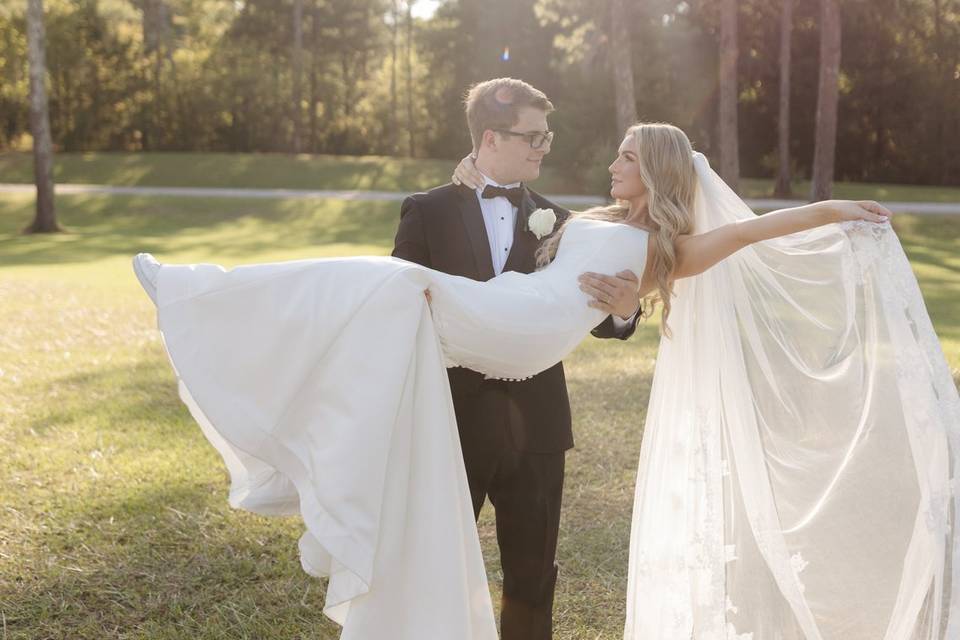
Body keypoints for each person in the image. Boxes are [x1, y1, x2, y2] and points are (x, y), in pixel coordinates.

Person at [132, 123, 959, 640]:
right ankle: (205, 304)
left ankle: (206, 303)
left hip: (518, 345)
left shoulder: (667, 246)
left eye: (626, 157)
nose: (609, 163)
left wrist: (829, 210)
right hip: (494, 321)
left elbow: (753, 233)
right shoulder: (575, 220)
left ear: (658, 171)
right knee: (375, 288)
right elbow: (526, 253)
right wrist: (465, 184)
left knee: (382, 294)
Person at [391, 77, 642, 640]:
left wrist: (625, 310)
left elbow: (597, 317)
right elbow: (398, 309)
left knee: (532, 574)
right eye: (531, 137)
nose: (541, 148)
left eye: (545, 138)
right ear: (489, 137)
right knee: (434, 565)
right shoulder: (427, 211)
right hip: (452, 419)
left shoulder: (566, 222)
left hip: (538, 424)